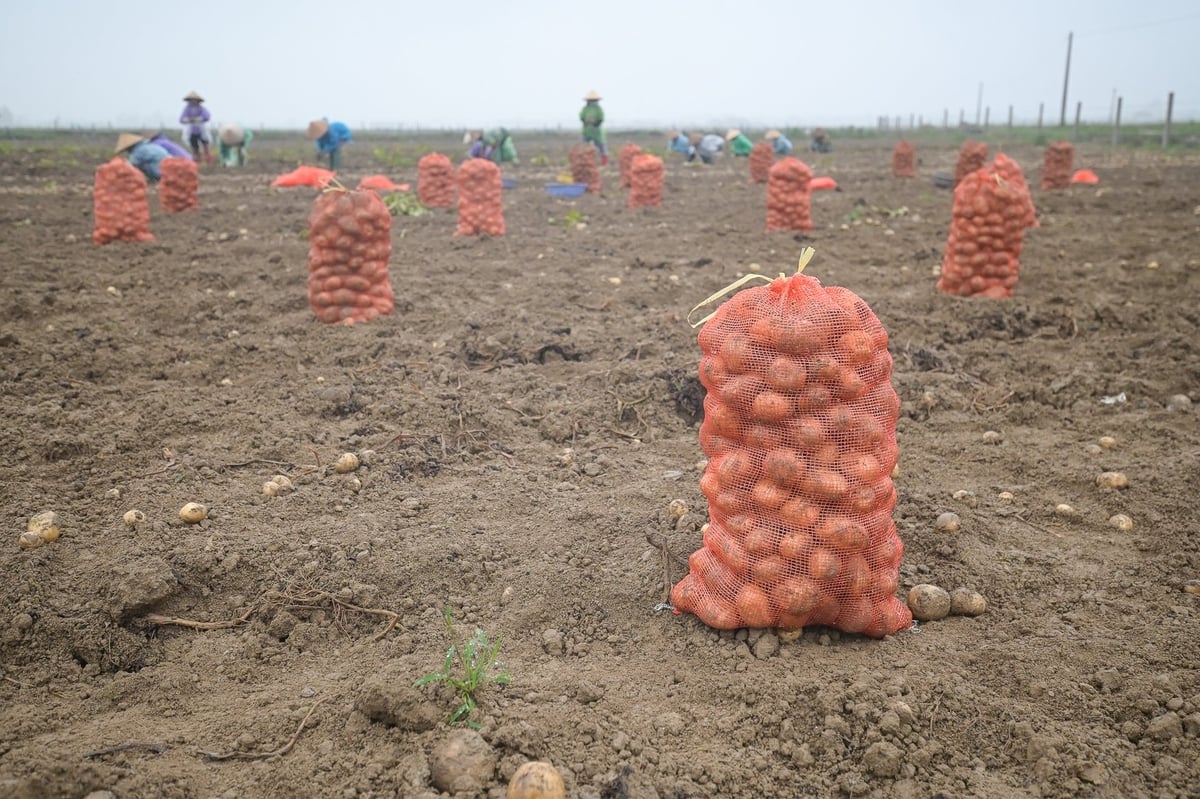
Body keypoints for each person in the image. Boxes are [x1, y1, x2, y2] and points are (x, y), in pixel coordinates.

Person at [179, 91, 212, 163]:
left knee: (205, 146)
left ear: (198, 101)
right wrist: (188, 120)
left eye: (194, 100)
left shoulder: (201, 109)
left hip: (201, 130)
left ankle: (208, 161)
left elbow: (207, 116)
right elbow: (181, 119)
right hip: (191, 131)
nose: (193, 101)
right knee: (195, 148)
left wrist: (198, 119)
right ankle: (197, 162)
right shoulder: (187, 109)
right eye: (191, 100)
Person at [579, 90, 608, 165]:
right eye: (591, 100)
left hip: (597, 132)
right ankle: (585, 162)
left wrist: (594, 123)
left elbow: (601, 119)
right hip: (587, 131)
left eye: (594, 100)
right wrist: (587, 122)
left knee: (602, 147)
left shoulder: (599, 109)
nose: (592, 102)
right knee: (584, 147)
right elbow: (582, 118)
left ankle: (604, 163)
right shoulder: (585, 109)